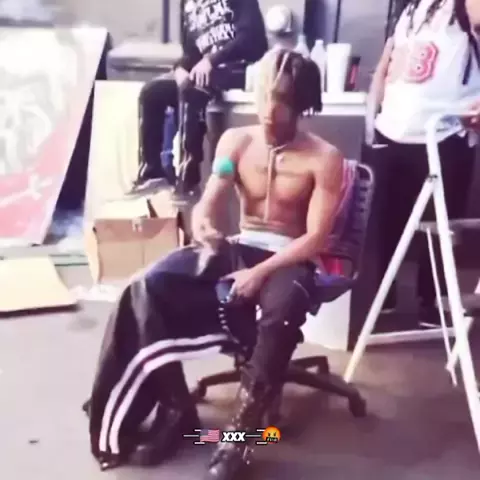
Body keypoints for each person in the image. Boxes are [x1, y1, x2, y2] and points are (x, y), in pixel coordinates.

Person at [85, 48, 345, 479]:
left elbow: (315, 238)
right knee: (148, 284)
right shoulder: (235, 143)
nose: (268, 109)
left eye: (281, 99)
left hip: (290, 257)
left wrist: (259, 273)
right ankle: (175, 407)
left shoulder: (324, 158)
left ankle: (239, 437)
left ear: (301, 104)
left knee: (281, 311)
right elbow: (213, 193)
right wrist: (203, 224)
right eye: (264, 95)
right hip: (240, 246)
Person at [366, 0, 480, 321]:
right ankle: (382, 301)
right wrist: (372, 113)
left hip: (445, 130)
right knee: (385, 224)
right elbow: (388, 60)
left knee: (441, 228)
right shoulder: (407, 9)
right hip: (392, 128)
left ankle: (433, 303)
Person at [132, 0, 268, 195]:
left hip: (242, 68)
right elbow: (191, 53)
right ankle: (154, 174)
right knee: (152, 93)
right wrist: (180, 68)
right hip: (207, 73)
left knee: (194, 89)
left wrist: (212, 60)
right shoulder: (189, 5)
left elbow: (251, 39)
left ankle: (189, 178)